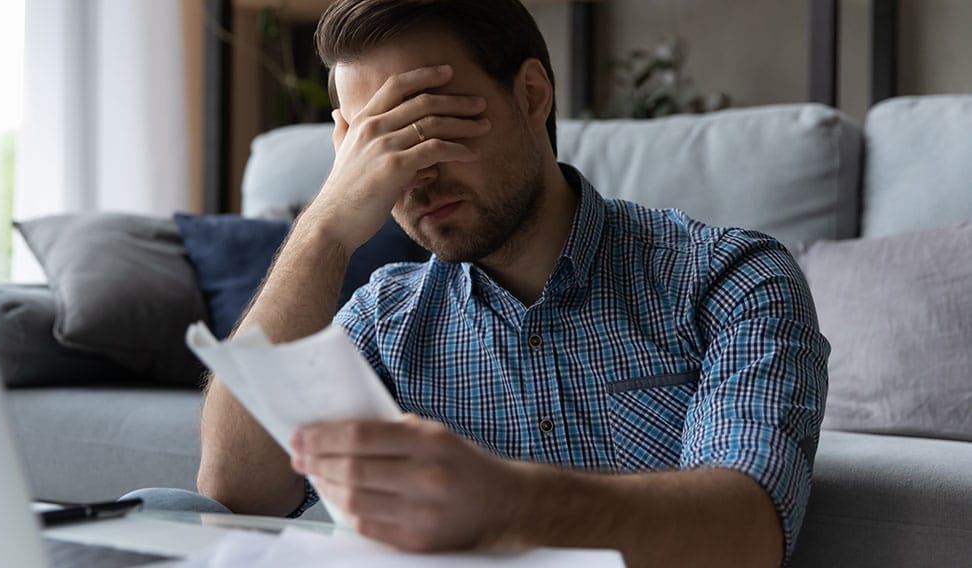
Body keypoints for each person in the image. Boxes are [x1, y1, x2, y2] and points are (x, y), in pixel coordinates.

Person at [134, 1, 829, 566]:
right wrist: (325, 226)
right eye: (378, 142)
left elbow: (748, 533)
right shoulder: (386, 318)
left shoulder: (729, 281)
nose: (414, 173)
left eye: (431, 123)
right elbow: (236, 489)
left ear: (531, 94)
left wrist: (505, 502)